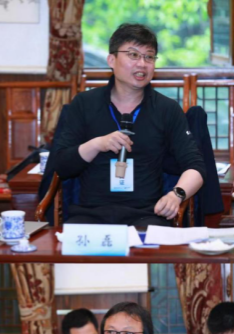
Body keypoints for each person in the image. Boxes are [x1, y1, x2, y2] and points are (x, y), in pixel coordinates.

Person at [50, 23, 205, 226]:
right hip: (90, 215)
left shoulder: (167, 109)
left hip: (148, 216)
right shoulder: (84, 104)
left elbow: (196, 167)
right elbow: (61, 165)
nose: (142, 64)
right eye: (133, 55)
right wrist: (97, 144)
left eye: (149, 57)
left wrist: (176, 195)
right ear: (111, 60)